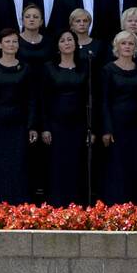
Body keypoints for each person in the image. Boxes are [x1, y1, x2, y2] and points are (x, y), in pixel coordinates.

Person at [0, 29, 37, 205]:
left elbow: (31, 99)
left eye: (14, 42)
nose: (11, 45)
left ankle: (19, 205)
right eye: (7, 41)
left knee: (19, 164)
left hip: (19, 123)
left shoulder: (26, 68)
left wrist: (31, 125)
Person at [101, 30, 137, 205]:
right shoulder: (108, 70)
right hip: (116, 125)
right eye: (123, 43)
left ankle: (135, 207)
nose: (127, 46)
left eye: (131, 43)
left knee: (135, 166)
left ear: (135, 47)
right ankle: (115, 206)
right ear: (117, 47)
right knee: (116, 166)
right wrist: (107, 129)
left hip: (136, 125)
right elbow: (104, 101)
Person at [41, 30, 89, 207]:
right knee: (57, 165)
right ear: (58, 45)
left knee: (76, 164)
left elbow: (90, 97)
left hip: (78, 123)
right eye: (63, 40)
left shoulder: (85, 66)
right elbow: (43, 99)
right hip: (56, 123)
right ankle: (56, 204)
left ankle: (77, 205)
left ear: (76, 44)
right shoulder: (49, 67)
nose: (67, 43)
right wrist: (45, 127)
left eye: (70, 40)